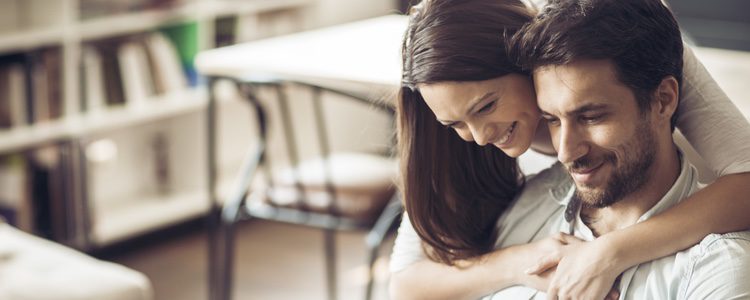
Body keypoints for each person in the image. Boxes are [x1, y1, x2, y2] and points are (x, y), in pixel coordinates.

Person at [389, 0, 750, 299]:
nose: (480, 137)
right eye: (552, 119)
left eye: (486, 107)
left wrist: (612, 251)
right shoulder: (518, 190)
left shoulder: (619, 37)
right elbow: (406, 282)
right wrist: (522, 262)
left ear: (527, 67)